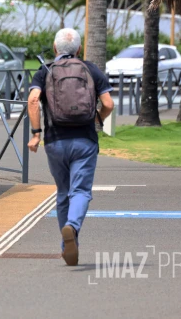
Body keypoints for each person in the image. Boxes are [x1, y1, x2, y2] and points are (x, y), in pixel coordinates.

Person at [27, 28, 114, 266]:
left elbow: (33, 100)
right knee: (81, 191)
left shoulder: (44, 71)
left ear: (55, 49)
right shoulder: (91, 70)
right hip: (85, 140)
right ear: (79, 49)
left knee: (63, 192)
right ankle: (72, 228)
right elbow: (108, 103)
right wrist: (98, 119)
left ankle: (67, 247)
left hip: (55, 142)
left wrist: (36, 134)